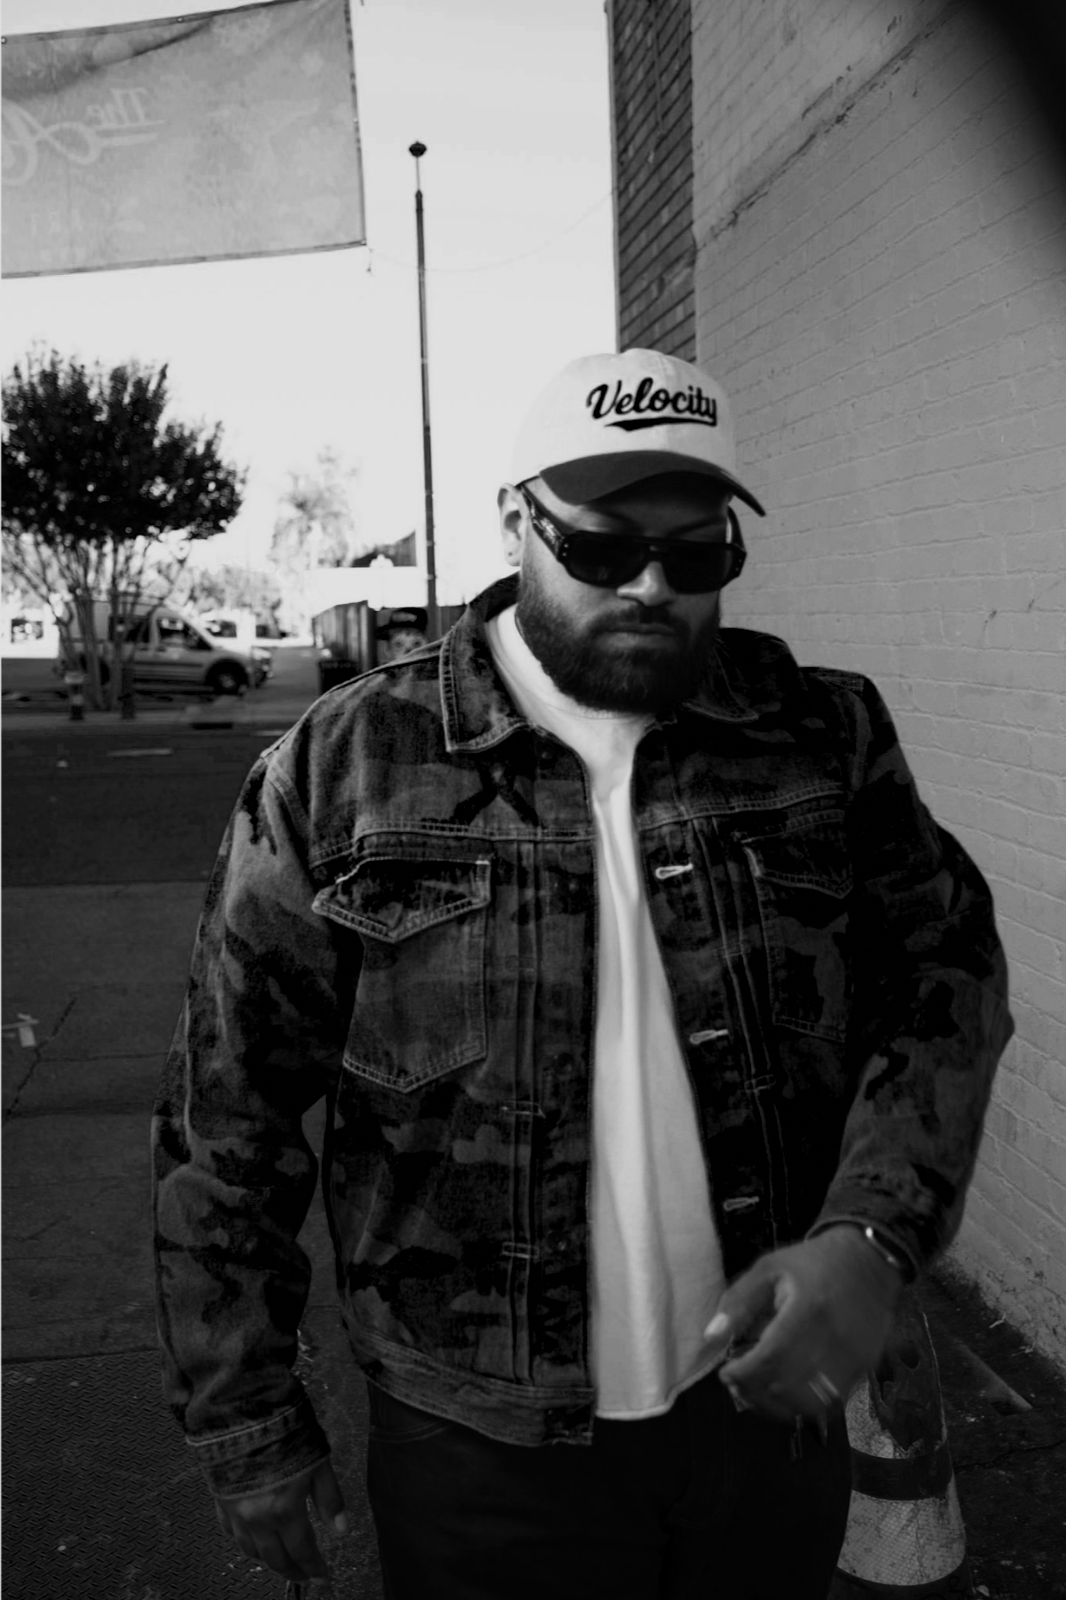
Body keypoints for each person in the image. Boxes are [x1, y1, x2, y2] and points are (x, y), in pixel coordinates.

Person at [152, 348, 1012, 1599]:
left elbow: (943, 979)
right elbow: (227, 1110)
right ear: (518, 522)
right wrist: (248, 1424)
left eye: (698, 554)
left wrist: (872, 1235)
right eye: (606, 550)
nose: (654, 588)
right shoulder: (348, 768)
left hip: (765, 1413)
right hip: (478, 1444)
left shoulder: (820, 735)